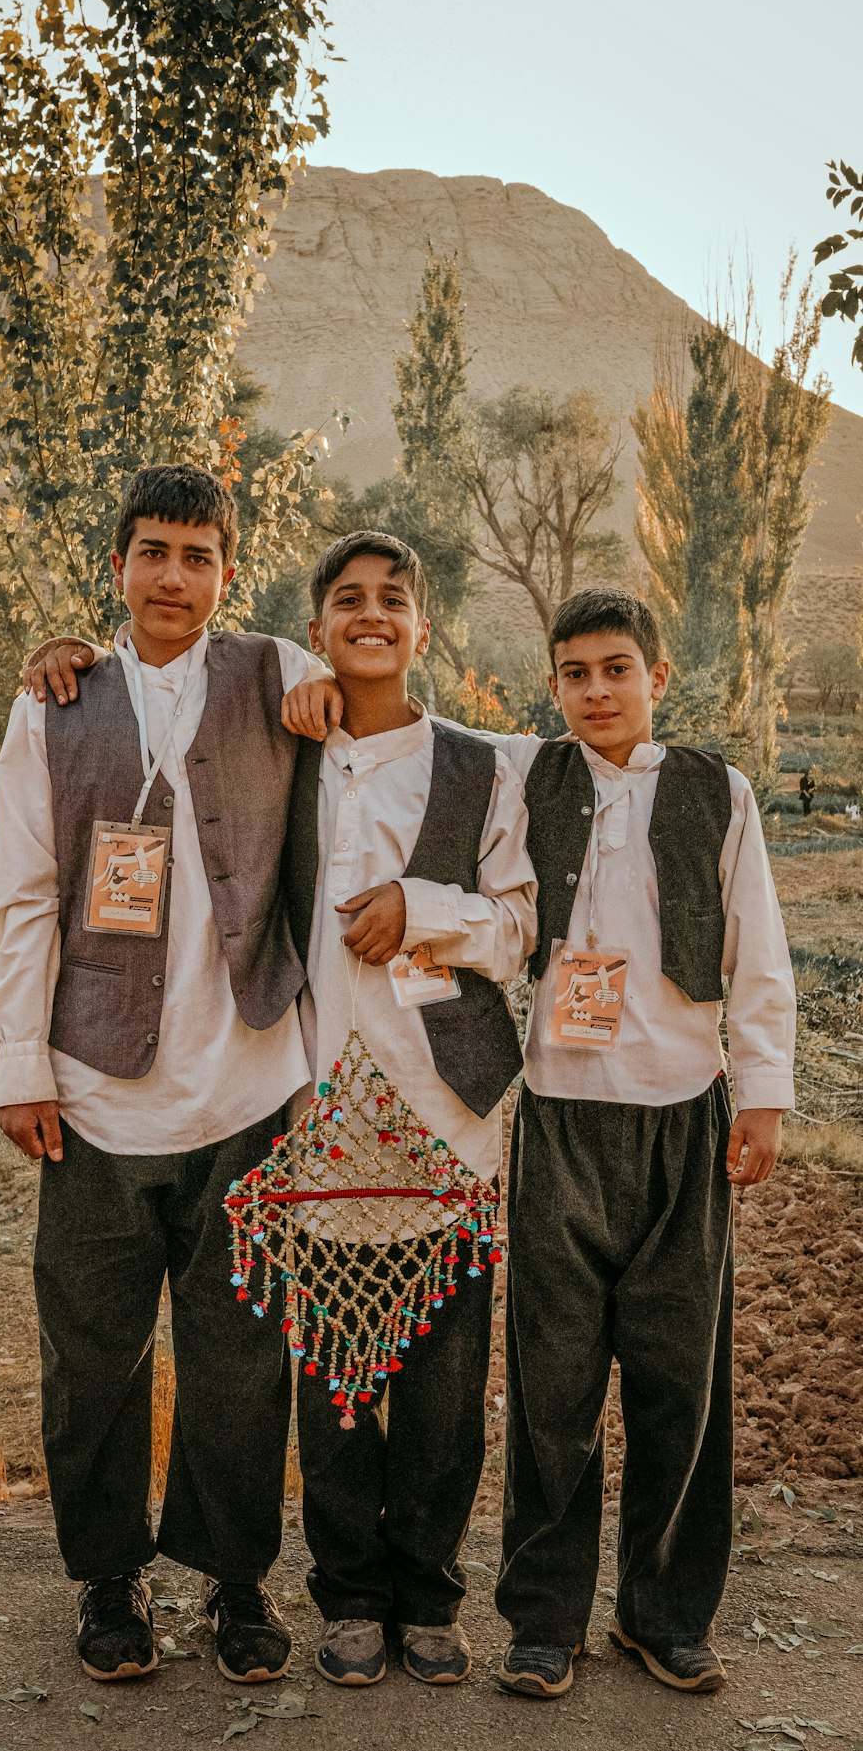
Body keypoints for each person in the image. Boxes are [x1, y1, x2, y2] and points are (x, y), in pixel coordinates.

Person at [0, 464, 338, 1686]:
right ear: (120, 564)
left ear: (226, 571)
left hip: (244, 1084)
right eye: (152, 552)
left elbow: (377, 711)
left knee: (244, 1354)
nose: (174, 577)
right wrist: (21, 1064)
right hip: (92, 1090)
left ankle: (235, 1580)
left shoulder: (282, 674)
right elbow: (26, 897)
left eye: (197, 554)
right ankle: (107, 1577)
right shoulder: (54, 703)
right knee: (93, 1356)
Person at [490, 588, 796, 1699]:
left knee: (680, 1381)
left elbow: (757, 945)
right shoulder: (525, 777)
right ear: (553, 684)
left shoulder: (719, 790)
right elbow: (402, 729)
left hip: (680, 1112)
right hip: (560, 1113)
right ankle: (541, 1618)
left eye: (615, 668)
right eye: (573, 672)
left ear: (656, 677)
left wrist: (759, 1093)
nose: (595, 691)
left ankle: (663, 1614)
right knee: (552, 1384)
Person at [279, 532, 538, 1688]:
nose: (371, 614)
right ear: (319, 627)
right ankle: (348, 1594)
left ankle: (430, 1590)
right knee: (335, 1373)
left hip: (448, 1111)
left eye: (393, 600)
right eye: (348, 601)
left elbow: (519, 927)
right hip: (317, 1110)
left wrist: (423, 906)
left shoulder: (489, 765)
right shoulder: (284, 750)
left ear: (422, 628)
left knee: (440, 1376)